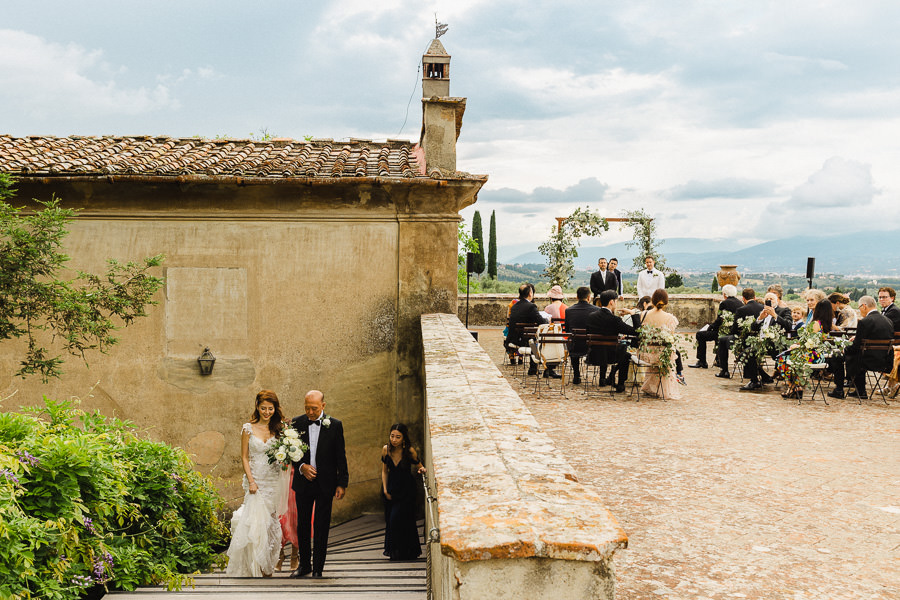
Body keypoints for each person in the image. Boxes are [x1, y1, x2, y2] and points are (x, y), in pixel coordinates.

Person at [226, 390, 290, 577]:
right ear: (257, 407)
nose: (267, 412)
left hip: (273, 479)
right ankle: (255, 566)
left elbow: (284, 455)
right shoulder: (248, 428)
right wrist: (252, 481)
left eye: (270, 408)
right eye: (263, 408)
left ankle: (268, 565)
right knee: (255, 522)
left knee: (270, 523)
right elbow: (244, 457)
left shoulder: (280, 429)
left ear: (275, 409)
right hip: (256, 480)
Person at [290, 390, 349, 578]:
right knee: (303, 525)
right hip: (303, 482)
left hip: (326, 484)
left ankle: (318, 569)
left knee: (322, 526)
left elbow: (341, 456)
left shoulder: (335, 425)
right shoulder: (296, 423)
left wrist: (342, 483)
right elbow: (290, 452)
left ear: (323, 406)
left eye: (314, 408)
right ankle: (304, 565)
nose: (310, 412)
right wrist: (301, 467)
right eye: (306, 408)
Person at [828, 296, 894, 400]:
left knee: (837, 356)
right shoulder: (888, 321)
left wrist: (844, 349)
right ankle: (860, 391)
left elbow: (855, 347)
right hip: (883, 360)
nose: (859, 310)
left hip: (865, 360)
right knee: (858, 354)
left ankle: (839, 390)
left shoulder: (865, 322)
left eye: (859, 307)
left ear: (864, 306)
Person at [381, 423, 426, 561]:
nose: (394, 439)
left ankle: (408, 551)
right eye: (392, 436)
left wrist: (422, 470)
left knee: (405, 520)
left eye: (398, 437)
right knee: (392, 519)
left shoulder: (410, 451)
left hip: (407, 490)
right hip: (392, 488)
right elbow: (384, 471)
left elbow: (420, 466)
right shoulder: (386, 449)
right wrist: (385, 489)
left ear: (404, 438)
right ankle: (396, 552)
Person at [775, 299, 833, 399]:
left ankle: (793, 386)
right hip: (819, 355)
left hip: (811, 355)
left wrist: (797, 346)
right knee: (788, 356)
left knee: (782, 358)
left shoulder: (816, 323)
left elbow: (810, 342)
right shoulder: (827, 324)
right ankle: (795, 387)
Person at [585, 290, 637, 393]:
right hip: (611, 356)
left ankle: (608, 378)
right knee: (626, 355)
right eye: (616, 301)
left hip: (593, 355)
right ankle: (621, 384)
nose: (616, 304)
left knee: (609, 349)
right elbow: (636, 331)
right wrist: (632, 313)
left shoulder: (591, 317)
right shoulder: (615, 320)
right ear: (611, 302)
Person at [638, 289, 682, 399]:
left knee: (658, 352)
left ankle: (650, 387)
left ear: (652, 301)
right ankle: (661, 389)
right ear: (666, 303)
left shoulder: (644, 314)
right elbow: (670, 338)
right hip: (662, 355)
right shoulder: (670, 318)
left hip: (646, 353)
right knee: (669, 349)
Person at [505, 283, 554, 377]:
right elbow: (542, 322)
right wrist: (547, 319)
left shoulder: (515, 306)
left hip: (514, 338)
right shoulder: (531, 306)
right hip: (525, 340)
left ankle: (534, 368)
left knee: (533, 338)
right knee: (540, 340)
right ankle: (545, 369)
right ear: (530, 293)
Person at [690, 284, 741, 369]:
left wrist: (710, 327)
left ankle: (702, 361)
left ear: (724, 294)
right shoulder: (740, 303)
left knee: (700, 335)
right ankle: (718, 360)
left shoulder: (724, 303)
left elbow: (720, 319)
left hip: (723, 333)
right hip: (734, 332)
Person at [715, 288, 762, 379]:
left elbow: (735, 329)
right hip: (758, 338)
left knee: (722, 340)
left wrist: (731, 332)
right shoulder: (762, 308)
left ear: (743, 298)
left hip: (742, 339)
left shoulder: (741, 310)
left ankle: (724, 371)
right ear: (755, 297)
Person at [563, 286, 600, 385]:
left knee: (573, 342)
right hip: (591, 345)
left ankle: (576, 375)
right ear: (589, 297)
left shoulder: (569, 310)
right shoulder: (596, 310)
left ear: (577, 297)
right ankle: (602, 378)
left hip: (575, 345)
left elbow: (567, 329)